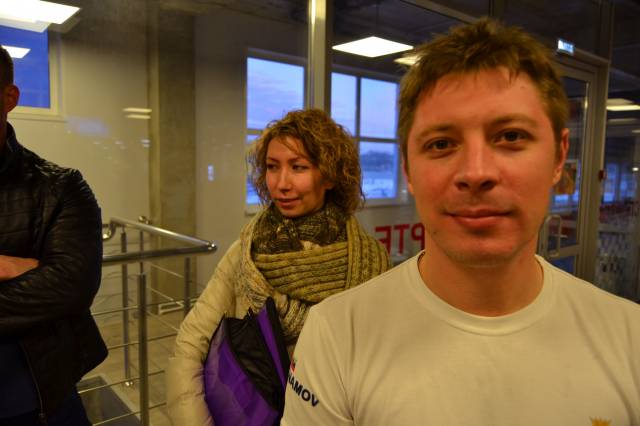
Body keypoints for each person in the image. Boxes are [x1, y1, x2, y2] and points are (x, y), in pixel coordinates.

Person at [282, 19, 640, 425]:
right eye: (441, 144)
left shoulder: (629, 339)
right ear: (408, 169)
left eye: (510, 137)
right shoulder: (338, 333)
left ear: (559, 157)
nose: (476, 172)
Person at [166, 108, 391, 424]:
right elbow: (190, 344)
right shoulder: (248, 251)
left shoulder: (370, 263)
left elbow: (381, 373)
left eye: (298, 167)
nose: (281, 183)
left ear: (329, 176)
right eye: (272, 167)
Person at [0, 47, 107, 425]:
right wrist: (22, 268)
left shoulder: (60, 187)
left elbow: (72, 286)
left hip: (38, 397)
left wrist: (49, 277)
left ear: (9, 98)